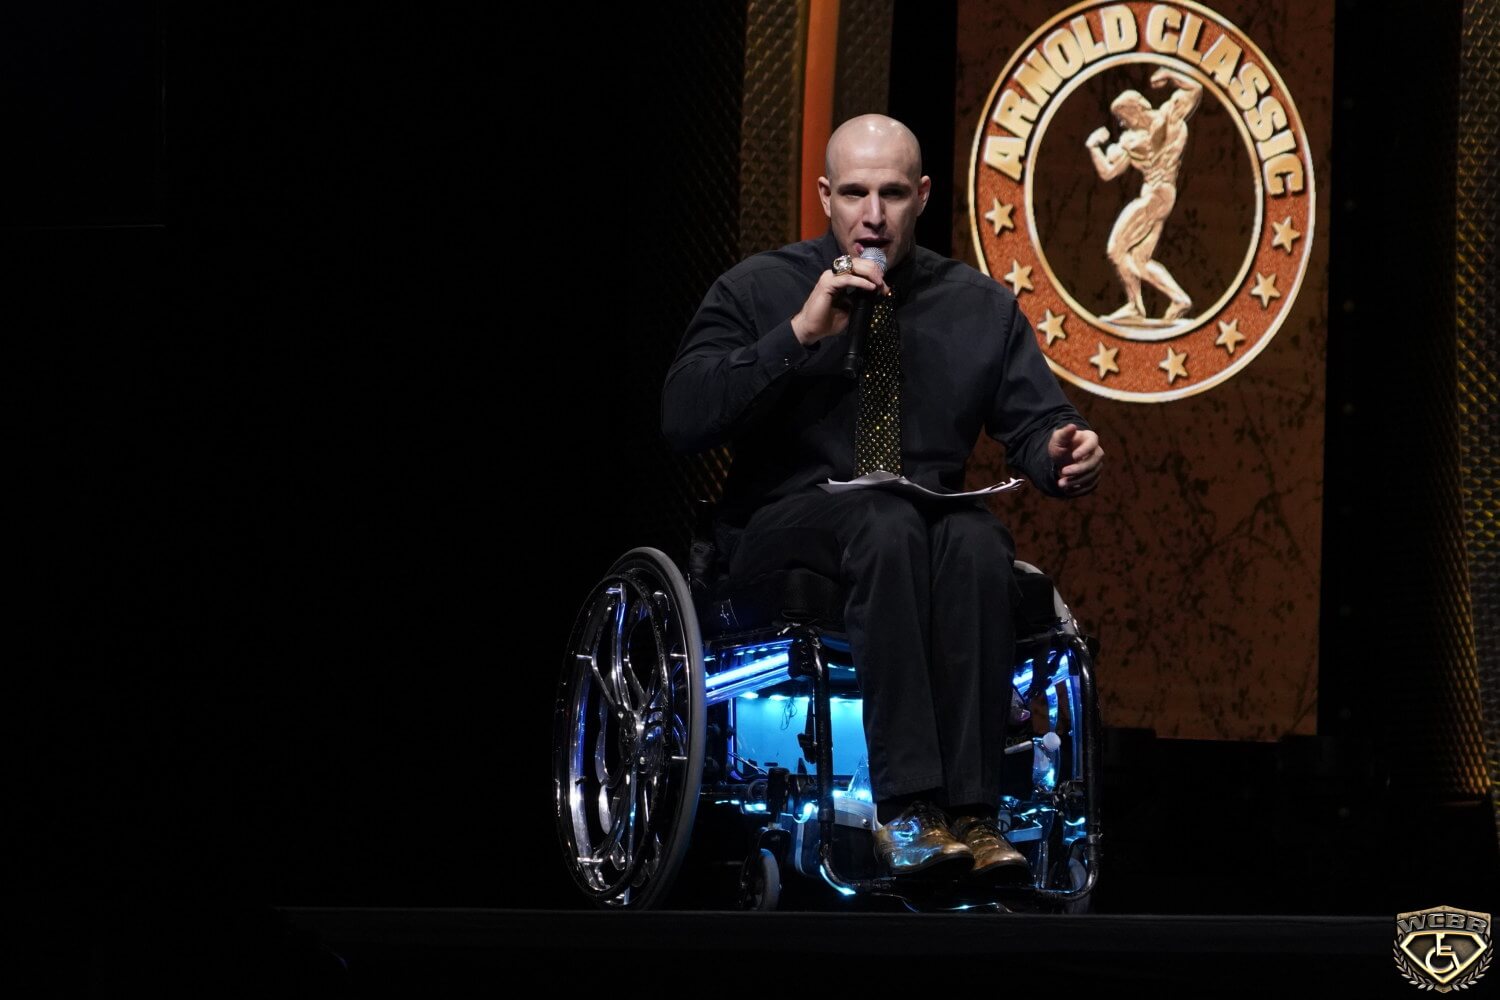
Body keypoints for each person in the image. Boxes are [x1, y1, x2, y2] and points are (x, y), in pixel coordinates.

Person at [661, 114, 1103, 883]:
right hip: (784, 524)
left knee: (977, 539)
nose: (873, 215)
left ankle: (974, 814)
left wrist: (1064, 450)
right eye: (855, 193)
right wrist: (799, 333)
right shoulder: (760, 287)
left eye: (893, 194)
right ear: (825, 196)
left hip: (922, 524)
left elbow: (1038, 425)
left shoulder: (976, 305)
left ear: (922, 195)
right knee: (886, 519)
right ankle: (908, 809)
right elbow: (682, 417)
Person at [1086, 67, 1202, 323]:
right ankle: (1179, 299)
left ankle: (1135, 307)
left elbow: (1195, 89)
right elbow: (1108, 172)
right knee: (1139, 259)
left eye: (1122, 117)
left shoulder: (1165, 119)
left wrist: (1170, 73)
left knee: (1116, 249)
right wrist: (1093, 148)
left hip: (1155, 196)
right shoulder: (1139, 135)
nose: (1121, 124)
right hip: (1163, 196)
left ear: (1133, 111)